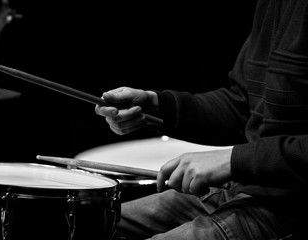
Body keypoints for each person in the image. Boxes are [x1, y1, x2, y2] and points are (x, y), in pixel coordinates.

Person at [95, 0, 308, 239]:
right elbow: (243, 106)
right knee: (92, 224)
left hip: (291, 207)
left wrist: (234, 160)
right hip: (250, 187)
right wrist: (157, 106)